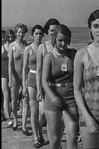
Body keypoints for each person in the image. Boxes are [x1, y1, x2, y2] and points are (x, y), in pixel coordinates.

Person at [73, 9, 99, 149]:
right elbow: (77, 89)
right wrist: (87, 118)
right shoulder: (82, 54)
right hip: (88, 115)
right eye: (96, 26)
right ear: (90, 28)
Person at [42, 24, 79, 149]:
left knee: (72, 137)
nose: (63, 44)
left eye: (65, 40)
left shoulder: (73, 54)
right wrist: (52, 97)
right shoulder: (49, 57)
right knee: (55, 139)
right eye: (60, 40)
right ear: (54, 40)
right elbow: (44, 81)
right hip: (53, 102)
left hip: (70, 100)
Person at [36, 18, 65, 146]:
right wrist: (38, 90)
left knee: (62, 119)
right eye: (52, 30)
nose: (54, 33)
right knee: (48, 118)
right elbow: (38, 70)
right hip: (47, 88)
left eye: (56, 30)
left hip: (62, 89)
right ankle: (54, 143)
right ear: (47, 31)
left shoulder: (62, 45)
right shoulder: (42, 47)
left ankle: (56, 142)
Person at [22, 25, 45, 148]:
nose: (39, 36)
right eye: (36, 34)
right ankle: (36, 137)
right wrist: (23, 85)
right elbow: (25, 68)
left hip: (42, 81)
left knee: (43, 112)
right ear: (32, 35)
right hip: (31, 80)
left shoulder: (44, 48)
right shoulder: (28, 49)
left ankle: (40, 132)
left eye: (41, 34)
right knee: (34, 111)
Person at [8, 23, 30, 134]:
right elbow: (10, 64)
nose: (21, 34)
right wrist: (10, 79)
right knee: (14, 100)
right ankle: (16, 121)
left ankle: (24, 126)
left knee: (25, 101)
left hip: (25, 77)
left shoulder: (27, 46)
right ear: (16, 33)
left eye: (23, 32)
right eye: (19, 32)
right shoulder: (12, 46)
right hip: (15, 77)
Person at [1, 30, 12, 125]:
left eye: (3, 37)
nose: (2, 38)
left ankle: (7, 115)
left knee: (6, 95)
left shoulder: (7, 46)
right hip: (2, 74)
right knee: (5, 94)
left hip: (7, 73)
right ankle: (6, 116)